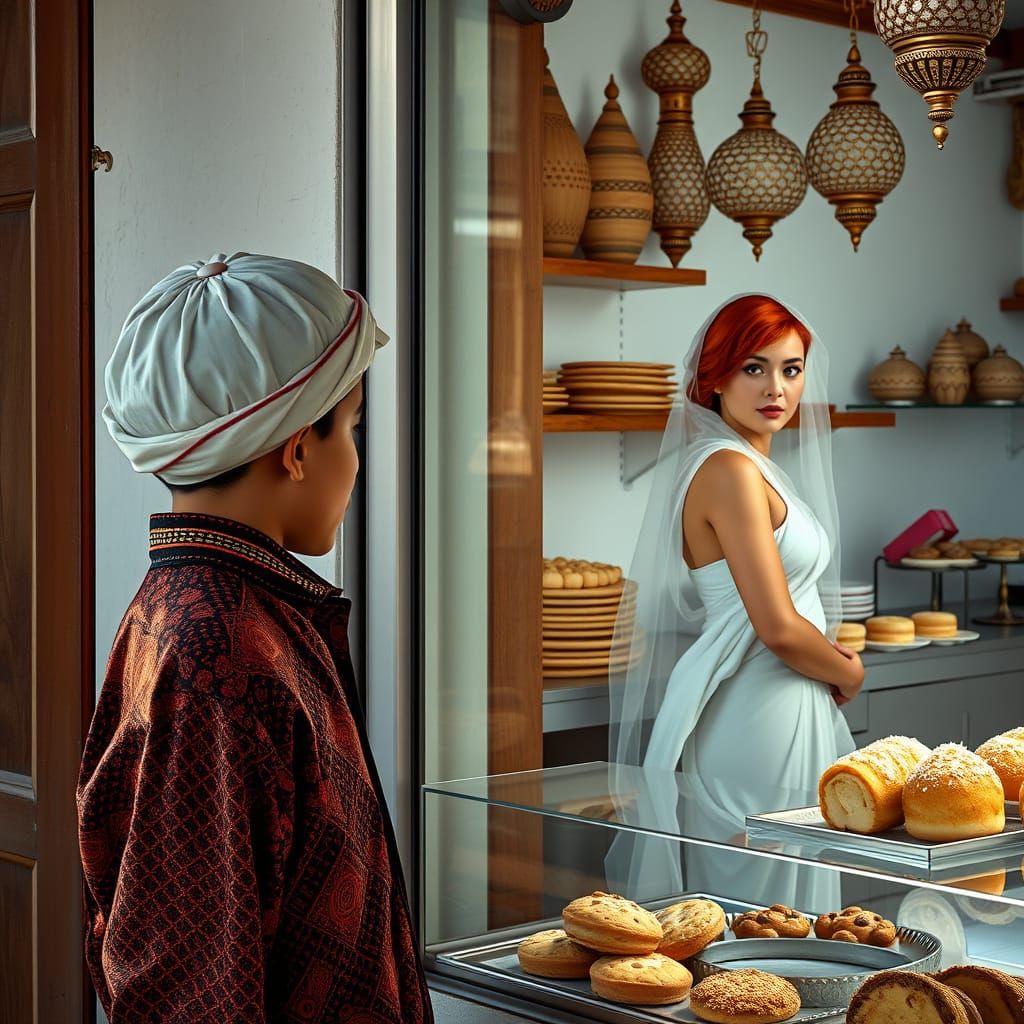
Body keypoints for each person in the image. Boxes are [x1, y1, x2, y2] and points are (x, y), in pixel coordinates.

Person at [78, 253, 433, 1023]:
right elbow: (194, 993)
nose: (358, 462)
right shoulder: (222, 651)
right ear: (298, 447)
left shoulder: (213, 609)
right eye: (355, 430)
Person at [608, 293, 862, 909]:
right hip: (758, 718)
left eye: (791, 368)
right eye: (754, 367)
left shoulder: (753, 465)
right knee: (765, 907)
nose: (776, 387)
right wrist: (848, 672)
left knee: (795, 903)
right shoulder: (728, 470)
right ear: (716, 375)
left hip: (783, 705)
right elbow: (775, 626)